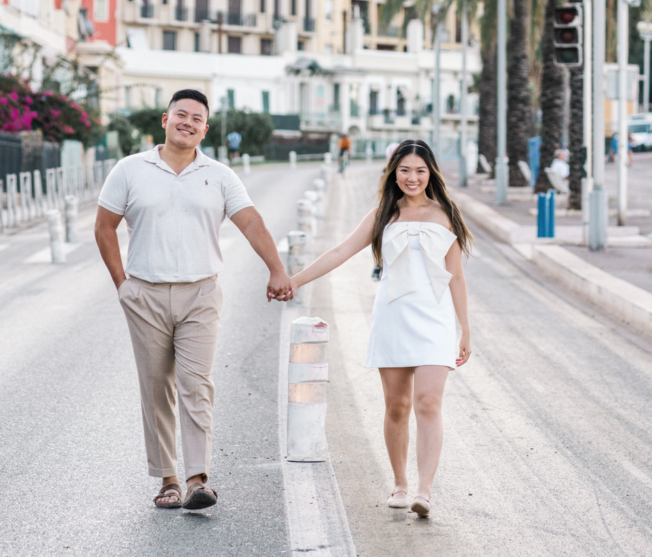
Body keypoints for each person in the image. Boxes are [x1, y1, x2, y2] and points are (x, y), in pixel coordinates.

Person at [94, 89, 295, 511]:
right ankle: (168, 478)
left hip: (201, 294)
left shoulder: (220, 175)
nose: (187, 122)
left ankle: (197, 479)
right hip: (144, 293)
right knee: (156, 387)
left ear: (205, 128)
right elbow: (104, 227)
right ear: (165, 121)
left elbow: (251, 222)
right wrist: (123, 285)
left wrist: (277, 268)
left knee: (196, 383)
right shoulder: (130, 170)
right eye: (180, 114)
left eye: (196, 118)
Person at [289, 140, 472, 519]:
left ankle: (424, 490)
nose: (412, 177)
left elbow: (456, 277)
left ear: (430, 173)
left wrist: (465, 330)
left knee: (428, 403)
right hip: (393, 318)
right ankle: (400, 484)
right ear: (393, 172)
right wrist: (295, 280)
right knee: (397, 407)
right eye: (405, 169)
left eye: (420, 170)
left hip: (435, 322)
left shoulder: (446, 214)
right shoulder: (382, 216)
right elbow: (339, 252)